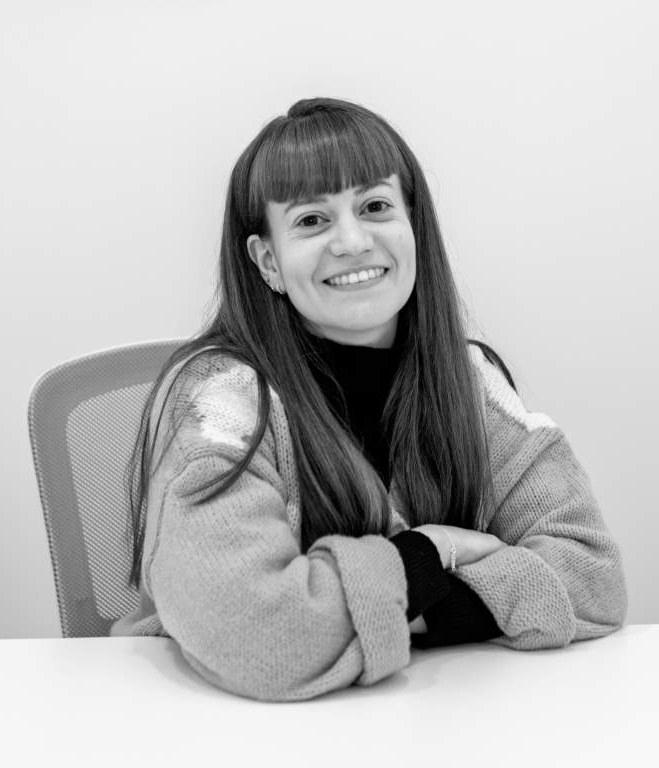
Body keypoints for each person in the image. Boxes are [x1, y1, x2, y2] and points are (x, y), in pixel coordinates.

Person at [110, 97, 628, 702]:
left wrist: (382, 608)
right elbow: (260, 636)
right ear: (268, 260)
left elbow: (593, 577)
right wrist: (433, 551)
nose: (353, 241)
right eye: (312, 220)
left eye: (375, 207)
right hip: (224, 729)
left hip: (431, 720)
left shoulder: (469, 379)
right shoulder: (220, 402)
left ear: (414, 227)